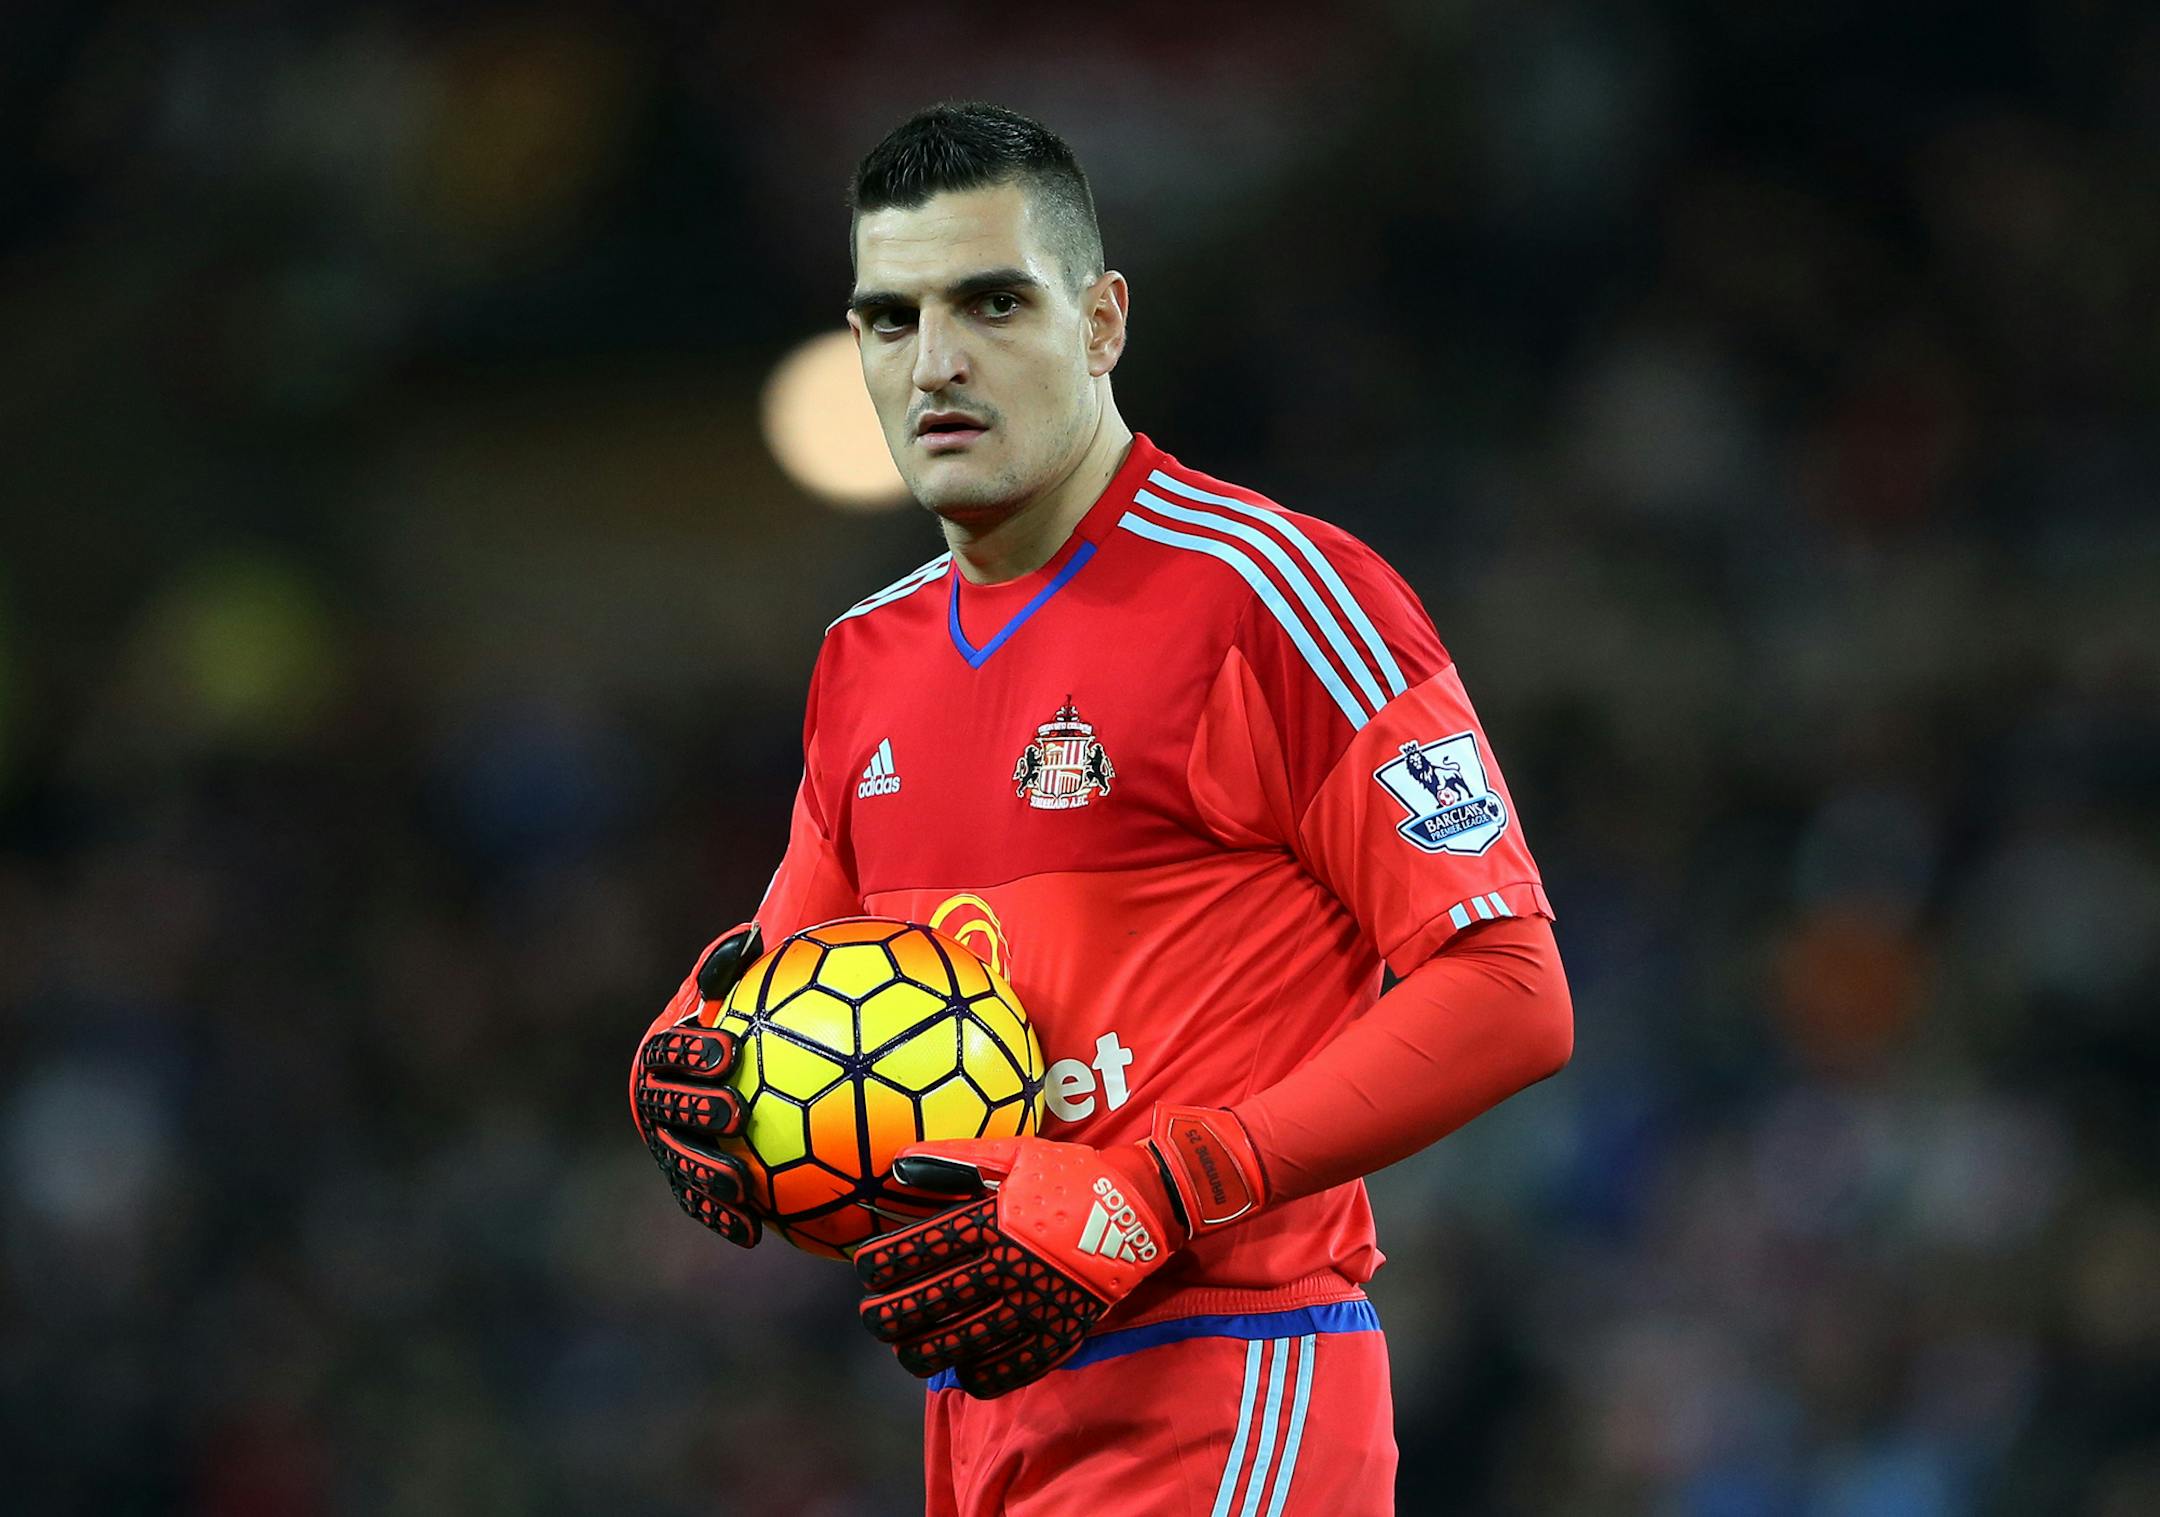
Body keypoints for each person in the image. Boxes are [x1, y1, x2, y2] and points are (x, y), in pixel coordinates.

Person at [631, 102, 1574, 1517]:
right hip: (977, 1399)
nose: (936, 361)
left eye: (992, 302)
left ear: (1102, 320)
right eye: (889, 320)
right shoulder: (864, 657)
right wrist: (692, 1072)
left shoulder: (1278, 595)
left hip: (1232, 1378)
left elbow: (1510, 988)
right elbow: (782, 990)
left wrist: (1167, 1181)